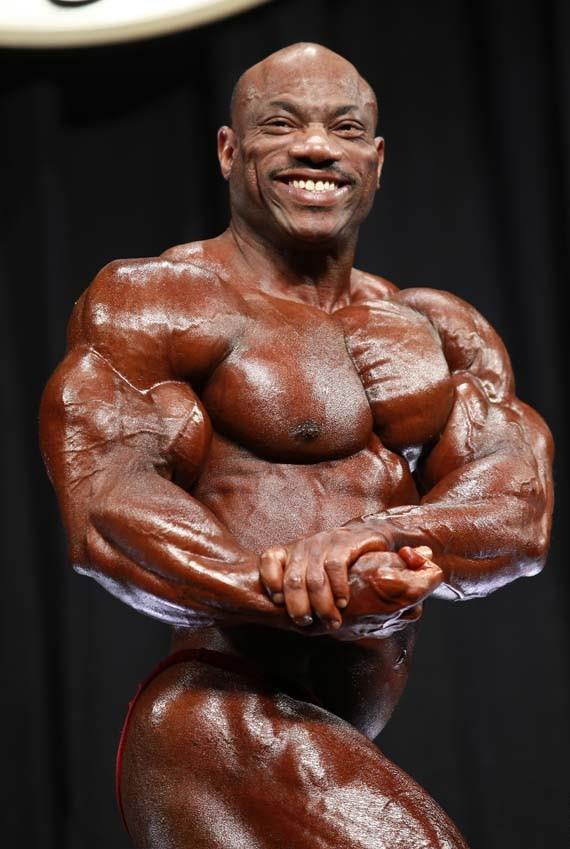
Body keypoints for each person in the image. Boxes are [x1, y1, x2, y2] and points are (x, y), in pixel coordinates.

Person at [40, 42, 553, 849]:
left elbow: (517, 510)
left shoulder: (441, 330)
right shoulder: (159, 301)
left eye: (344, 129)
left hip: (333, 729)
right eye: (282, 124)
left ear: (375, 161)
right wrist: (283, 587)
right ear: (228, 150)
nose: (317, 146)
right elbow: (106, 504)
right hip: (216, 719)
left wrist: (378, 536)